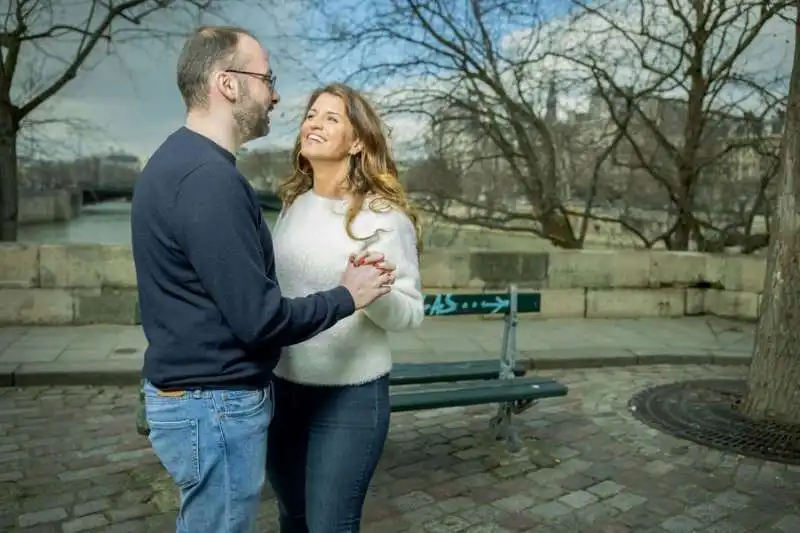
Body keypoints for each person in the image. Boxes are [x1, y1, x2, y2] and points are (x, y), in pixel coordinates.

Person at [130, 28, 394, 533]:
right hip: (214, 404)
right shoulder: (209, 181)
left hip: (195, 397)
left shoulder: (177, 161)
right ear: (228, 85)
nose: (274, 95)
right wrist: (348, 295)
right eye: (266, 79)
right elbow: (260, 320)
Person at [266, 83, 425, 532]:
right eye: (311, 114)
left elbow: (412, 313)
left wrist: (374, 297)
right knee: (291, 517)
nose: (313, 123)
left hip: (350, 398)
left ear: (357, 141)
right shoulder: (293, 205)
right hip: (282, 390)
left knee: (330, 525)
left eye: (331, 118)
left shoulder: (384, 218)